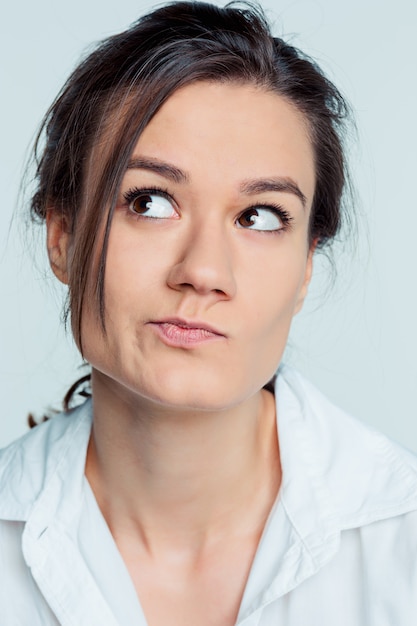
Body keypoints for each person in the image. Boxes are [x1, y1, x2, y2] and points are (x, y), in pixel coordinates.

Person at [1, 2, 416, 624]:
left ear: (306, 269)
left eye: (261, 217)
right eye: (149, 201)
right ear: (62, 235)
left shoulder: (400, 541)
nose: (203, 271)